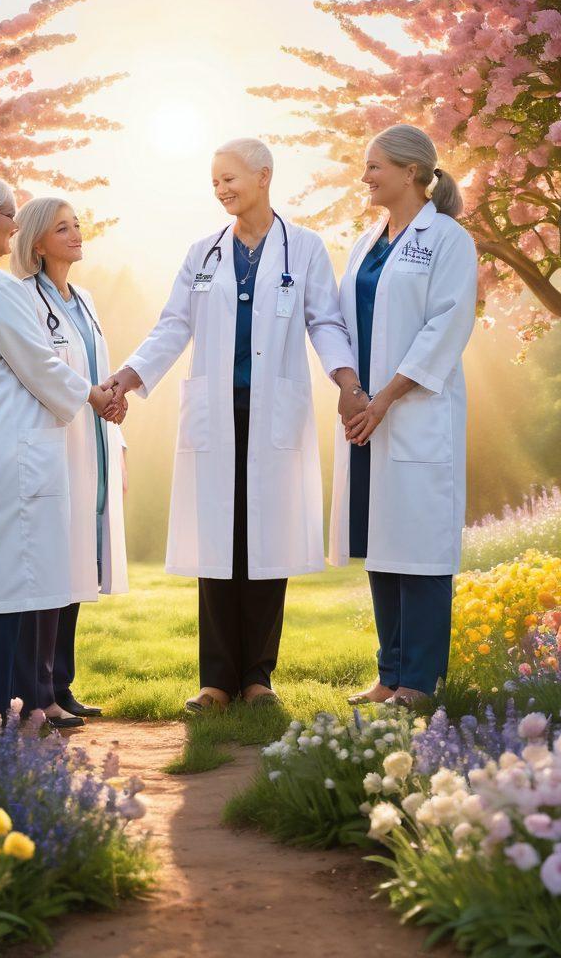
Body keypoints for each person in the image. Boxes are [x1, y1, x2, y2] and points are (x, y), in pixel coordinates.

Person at [104, 138, 360, 713]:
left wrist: (347, 383)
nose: (221, 189)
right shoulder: (204, 252)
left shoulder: (306, 248)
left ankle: (257, 680)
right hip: (216, 413)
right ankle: (216, 682)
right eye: (215, 181)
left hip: (273, 409)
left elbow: (325, 323)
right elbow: (173, 326)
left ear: (264, 176)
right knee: (220, 542)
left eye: (230, 179)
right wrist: (125, 377)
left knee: (265, 542)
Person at [0, 172, 118, 724]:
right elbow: (38, 361)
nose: (14, 225)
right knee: (4, 581)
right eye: (9, 215)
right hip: (9, 443)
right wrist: (93, 396)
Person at [328, 124, 478, 709]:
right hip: (365, 413)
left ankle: (419, 681)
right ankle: (388, 675)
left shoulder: (447, 240)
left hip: (414, 413)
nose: (364, 177)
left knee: (419, 548)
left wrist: (385, 398)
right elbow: (341, 323)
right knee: (382, 544)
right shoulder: (367, 242)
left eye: (374, 167)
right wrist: (349, 388)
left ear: (412, 172)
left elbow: (446, 327)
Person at [9, 196, 129, 726]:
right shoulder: (25, 301)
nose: (77, 233)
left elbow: (94, 368)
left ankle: (62, 685)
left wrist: (113, 400)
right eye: (63, 228)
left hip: (93, 442)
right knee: (53, 570)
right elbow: (43, 374)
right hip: (55, 445)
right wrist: (92, 396)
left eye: (77, 224)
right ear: (37, 242)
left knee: (79, 563)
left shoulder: (84, 300)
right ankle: (37, 693)